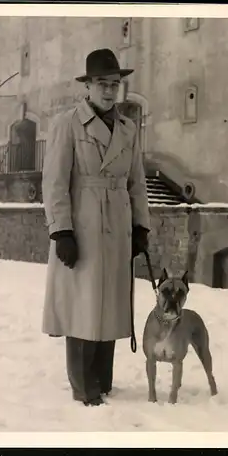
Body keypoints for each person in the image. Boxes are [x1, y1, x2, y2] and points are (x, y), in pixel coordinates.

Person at [42, 48, 150, 406]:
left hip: (117, 221)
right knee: (83, 304)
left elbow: (137, 181)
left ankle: (103, 381)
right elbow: (55, 182)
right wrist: (62, 231)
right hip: (83, 221)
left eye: (115, 84)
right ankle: (83, 386)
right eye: (102, 83)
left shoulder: (128, 128)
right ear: (87, 86)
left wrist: (140, 226)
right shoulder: (67, 124)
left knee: (111, 303)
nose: (109, 90)